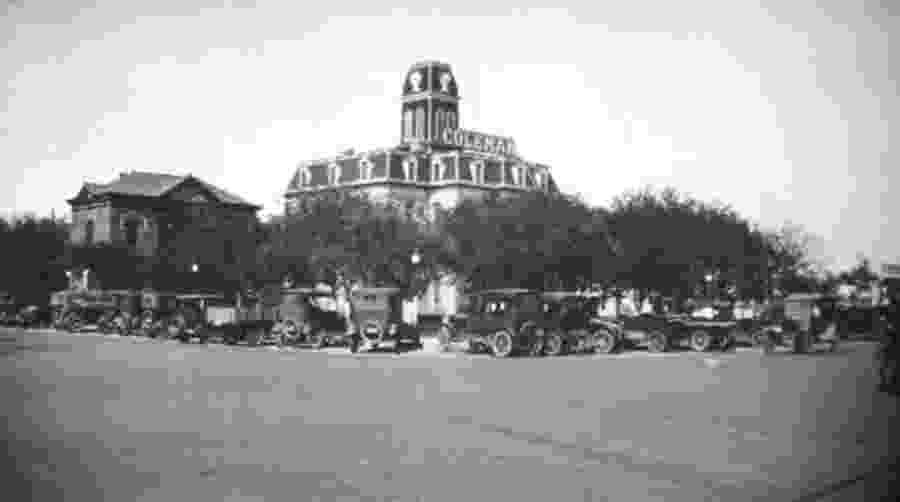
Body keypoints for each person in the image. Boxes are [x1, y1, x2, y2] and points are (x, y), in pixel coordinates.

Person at [878, 282, 900, 394]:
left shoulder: (889, 303)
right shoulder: (886, 304)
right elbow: (881, 319)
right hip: (889, 335)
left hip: (893, 335)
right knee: (886, 360)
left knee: (891, 361)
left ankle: (891, 383)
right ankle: (885, 383)